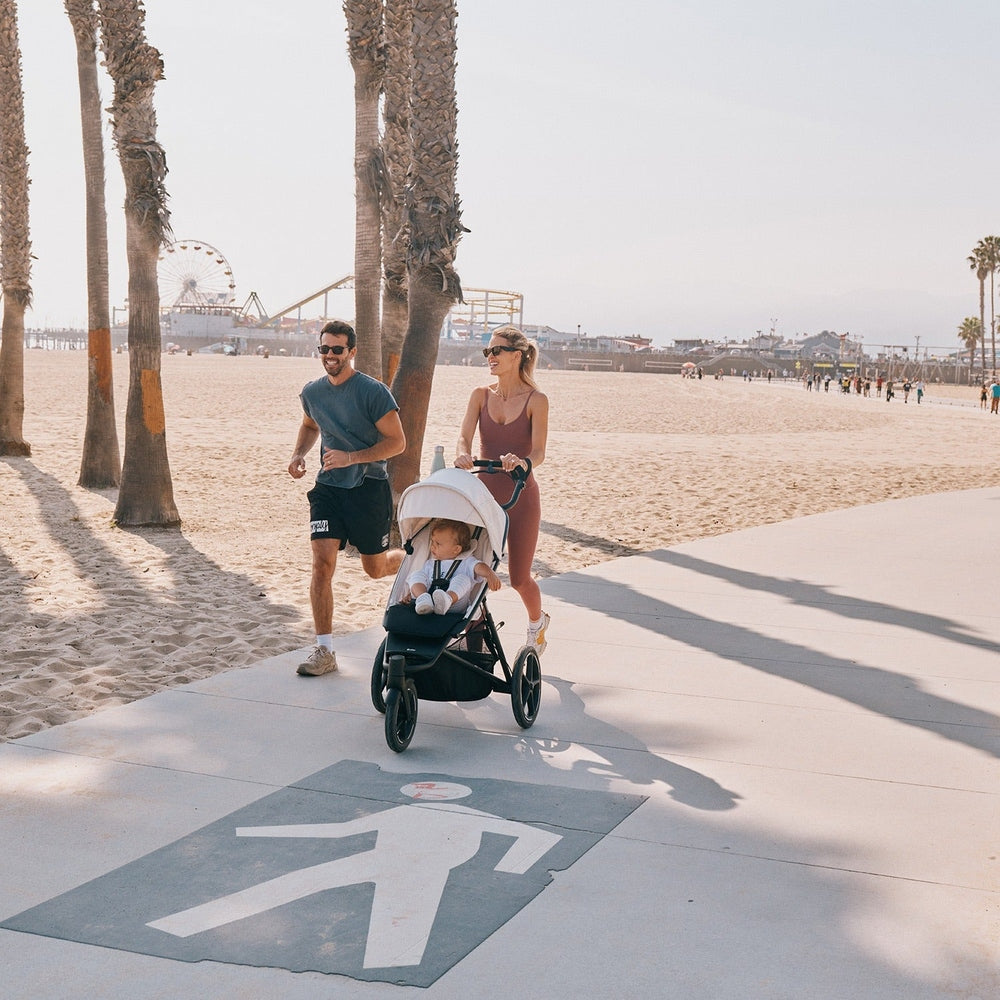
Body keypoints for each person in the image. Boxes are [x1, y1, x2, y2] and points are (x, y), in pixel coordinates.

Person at [287, 320, 406, 677]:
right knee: (321, 564)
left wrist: (351, 457)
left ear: (351, 352)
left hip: (369, 488)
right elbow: (310, 424)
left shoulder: (373, 392)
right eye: (324, 349)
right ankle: (325, 650)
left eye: (337, 349)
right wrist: (298, 455)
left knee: (374, 568)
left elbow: (397, 443)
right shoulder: (313, 392)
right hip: (328, 488)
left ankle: (411, 559)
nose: (330, 356)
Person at [455, 325, 551, 653]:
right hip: (484, 496)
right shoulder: (480, 395)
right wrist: (462, 453)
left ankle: (537, 626)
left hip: (521, 498)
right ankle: (474, 638)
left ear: (517, 355)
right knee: (472, 570)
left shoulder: (537, 400)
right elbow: (464, 436)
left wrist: (523, 462)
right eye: (488, 351)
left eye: (497, 351)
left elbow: (538, 452)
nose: (490, 357)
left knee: (520, 577)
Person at [402, 518, 501, 615]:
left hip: (455, 604)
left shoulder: (466, 561)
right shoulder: (430, 563)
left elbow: (479, 566)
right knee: (417, 574)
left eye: (438, 544)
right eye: (432, 542)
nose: (432, 546)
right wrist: (411, 594)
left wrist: (489, 573)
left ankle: (447, 599)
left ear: (456, 549)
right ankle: (422, 598)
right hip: (430, 600)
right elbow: (422, 581)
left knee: (463, 579)